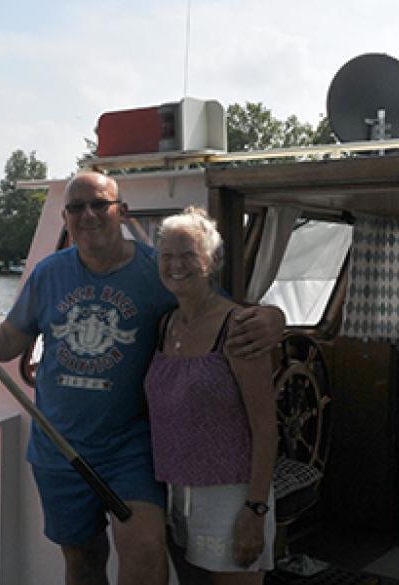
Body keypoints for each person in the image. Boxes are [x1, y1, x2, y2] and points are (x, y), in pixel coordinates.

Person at [0, 171, 283, 585]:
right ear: (65, 217)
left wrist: (274, 318)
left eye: (99, 205)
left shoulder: (157, 270)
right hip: (58, 446)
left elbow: (215, 310)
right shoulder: (48, 274)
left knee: (146, 550)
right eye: (76, 207)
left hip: (130, 448)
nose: (88, 215)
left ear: (122, 212)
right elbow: (4, 343)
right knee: (83, 560)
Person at [144, 207, 276, 584]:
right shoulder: (165, 325)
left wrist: (255, 509)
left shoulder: (239, 327)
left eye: (188, 254)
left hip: (231, 498)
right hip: (175, 496)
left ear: (213, 260)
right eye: (167, 256)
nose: (176, 265)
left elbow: (266, 426)